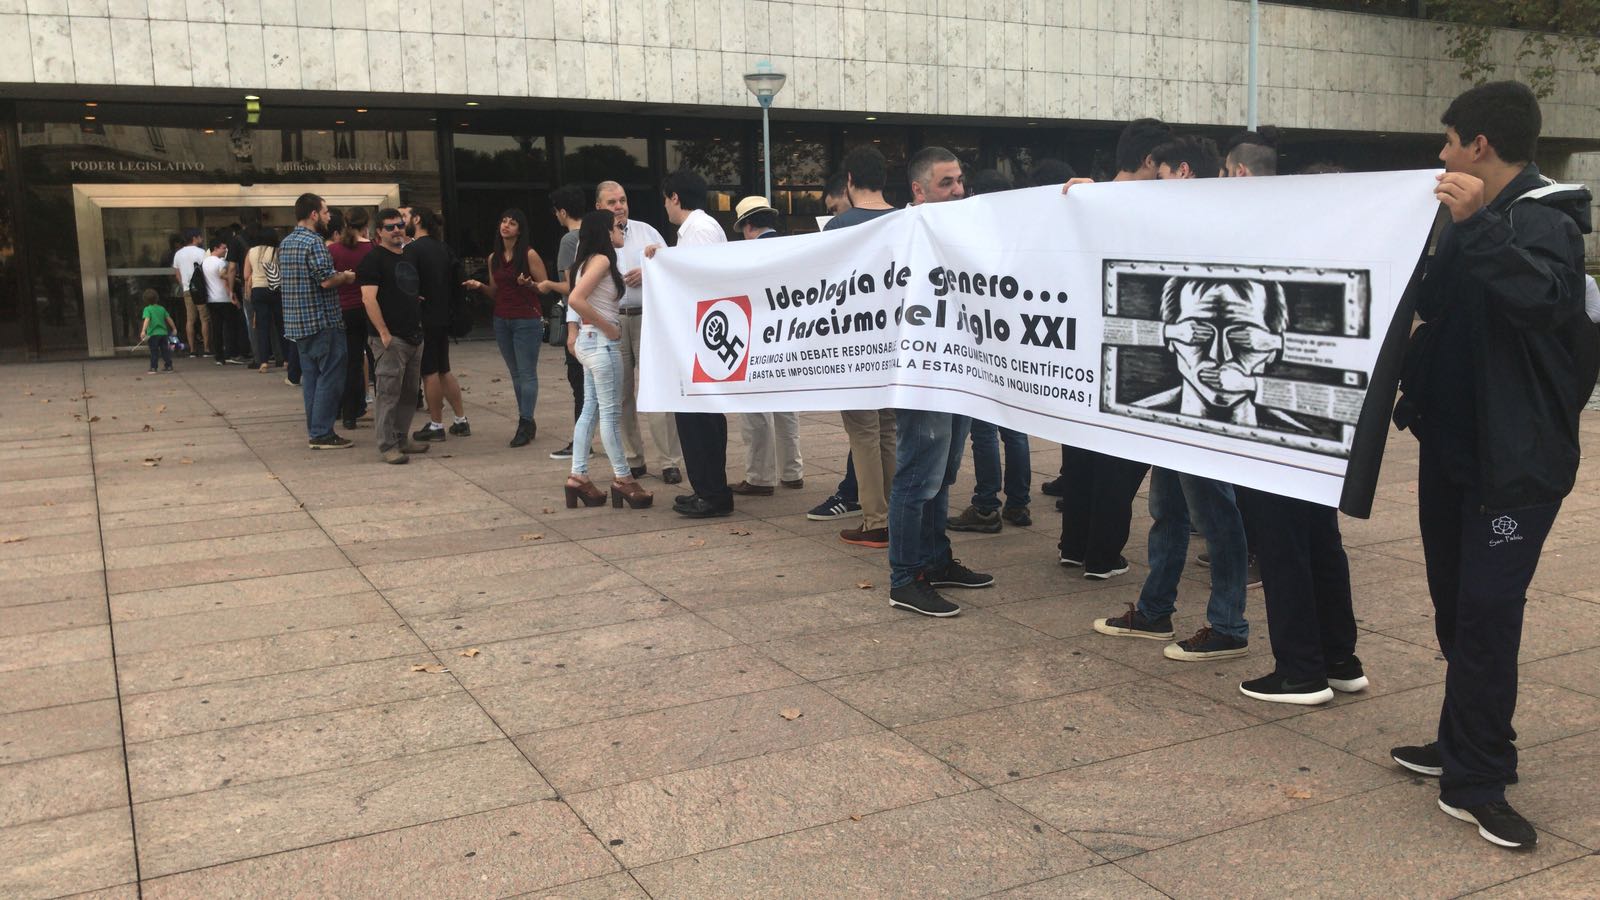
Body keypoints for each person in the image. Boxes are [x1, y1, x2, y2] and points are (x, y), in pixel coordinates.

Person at [1389, 81, 1597, 851]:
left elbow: (1542, 301)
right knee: (1457, 609)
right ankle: (1467, 740)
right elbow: (1438, 303)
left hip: (1515, 464)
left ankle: (1476, 779)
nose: (1440, 155)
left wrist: (1471, 224)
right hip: (1454, 448)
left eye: (1447, 141)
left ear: (1478, 146)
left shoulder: (1546, 218)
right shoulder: (1469, 220)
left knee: (1484, 616)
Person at [1090, 139, 1252, 661]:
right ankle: (1156, 609)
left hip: (1206, 399)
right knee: (1169, 505)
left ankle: (1227, 622)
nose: (1150, 188)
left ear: (1181, 173)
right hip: (1175, 395)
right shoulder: (1184, 224)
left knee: (1213, 508)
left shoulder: (1219, 224)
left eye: (1156, 176)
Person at [1050, 119, 1169, 578]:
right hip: (1132, 352)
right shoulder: (1146, 210)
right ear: (1148, 160)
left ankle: (1075, 544)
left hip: (1079, 351)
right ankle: (1101, 552)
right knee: (1120, 458)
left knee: (1080, 453)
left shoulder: (1081, 200)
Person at [884, 146, 994, 619]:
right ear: (919, 189)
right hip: (920, 375)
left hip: (959, 368)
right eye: (946, 183)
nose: (959, 190)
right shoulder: (895, 232)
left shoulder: (966, 227)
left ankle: (935, 559)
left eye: (959, 181)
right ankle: (904, 578)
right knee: (918, 474)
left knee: (944, 472)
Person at [948, 169, 1031, 533]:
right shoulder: (1021, 235)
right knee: (1015, 428)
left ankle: (985, 505)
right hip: (1015, 340)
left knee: (983, 428)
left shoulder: (976, 235)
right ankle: (1018, 502)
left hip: (983, 341)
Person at [825, 146, 900, 547]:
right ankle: (893, 511)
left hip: (853, 345)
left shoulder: (839, 227)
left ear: (849, 181)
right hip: (896, 344)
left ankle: (876, 519)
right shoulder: (906, 221)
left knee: (863, 433)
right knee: (887, 428)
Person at [652, 170, 733, 518]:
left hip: (698, 340)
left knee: (698, 421)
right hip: (701, 338)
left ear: (675, 197)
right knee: (704, 419)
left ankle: (711, 493)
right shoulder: (700, 229)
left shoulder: (698, 231)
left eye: (665, 199)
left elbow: (700, 281)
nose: (665, 208)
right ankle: (710, 488)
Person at [565, 210, 652, 510]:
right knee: (611, 415)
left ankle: (578, 477)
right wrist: (609, 327)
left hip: (591, 344)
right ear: (604, 231)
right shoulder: (601, 260)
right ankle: (624, 479)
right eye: (617, 228)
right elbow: (576, 299)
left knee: (591, 410)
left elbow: (576, 299)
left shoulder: (587, 261)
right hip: (601, 344)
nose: (622, 232)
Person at [599, 180, 681, 483]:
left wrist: (649, 270)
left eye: (622, 199)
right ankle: (633, 458)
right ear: (599, 207)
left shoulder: (649, 232)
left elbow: (673, 268)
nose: (619, 206)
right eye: (612, 202)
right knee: (621, 395)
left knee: (657, 389)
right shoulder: (594, 239)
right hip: (613, 321)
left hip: (648, 319)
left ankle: (670, 461)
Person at [728, 195, 805, 497]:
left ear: (747, 225)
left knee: (755, 409)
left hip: (759, 338)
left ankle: (760, 476)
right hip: (789, 335)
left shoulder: (748, 254)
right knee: (787, 408)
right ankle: (792, 471)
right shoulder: (789, 249)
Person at [464, 207, 549, 447]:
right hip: (502, 319)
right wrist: (479, 286)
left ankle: (525, 420)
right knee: (515, 373)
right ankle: (527, 420)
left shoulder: (529, 254)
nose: (506, 226)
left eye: (512, 223)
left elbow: (545, 287)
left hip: (526, 319)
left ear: (520, 229)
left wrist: (529, 284)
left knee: (527, 372)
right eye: (503, 221)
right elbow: (495, 292)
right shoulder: (494, 258)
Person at [280, 192, 358, 450]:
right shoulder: (314, 243)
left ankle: (316, 429)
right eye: (325, 212)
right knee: (331, 376)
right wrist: (345, 277)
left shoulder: (287, 242)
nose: (328, 217)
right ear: (314, 214)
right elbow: (325, 280)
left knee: (312, 378)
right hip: (322, 320)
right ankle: (322, 432)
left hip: (297, 323)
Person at [359, 208, 429, 465]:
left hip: (413, 335)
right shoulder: (373, 260)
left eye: (400, 225)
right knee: (388, 393)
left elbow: (405, 288)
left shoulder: (407, 256)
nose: (397, 230)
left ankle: (401, 438)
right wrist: (384, 333)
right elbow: (368, 298)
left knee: (410, 392)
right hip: (390, 339)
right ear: (379, 232)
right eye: (390, 227)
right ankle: (387, 444)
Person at [407, 208, 471, 442]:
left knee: (429, 371)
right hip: (444, 316)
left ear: (416, 220)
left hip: (424, 318)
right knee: (444, 369)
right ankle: (460, 420)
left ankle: (436, 424)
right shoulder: (443, 248)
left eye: (406, 218)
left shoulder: (412, 250)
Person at [539, 186, 587, 460]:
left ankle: (580, 443)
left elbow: (572, 286)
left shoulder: (570, 240)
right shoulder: (596, 234)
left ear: (563, 211)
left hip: (577, 322)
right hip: (595, 319)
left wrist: (547, 284)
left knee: (579, 384)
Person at [329, 207, 375, 431]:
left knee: (351, 362)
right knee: (375, 358)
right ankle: (365, 404)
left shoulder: (334, 250)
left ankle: (349, 413)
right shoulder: (373, 249)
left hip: (344, 310)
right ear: (367, 223)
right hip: (369, 308)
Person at [242, 227, 289, 372]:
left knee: (262, 327)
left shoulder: (251, 252)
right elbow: (284, 271)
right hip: (275, 290)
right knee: (281, 326)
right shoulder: (277, 251)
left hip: (258, 290)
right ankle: (286, 359)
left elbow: (245, 275)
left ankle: (263, 362)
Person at [200, 234, 239, 366]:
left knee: (216, 328)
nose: (225, 250)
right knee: (229, 327)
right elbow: (224, 277)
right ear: (215, 248)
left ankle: (218, 356)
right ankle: (230, 353)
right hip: (224, 298)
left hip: (211, 299)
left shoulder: (204, 262)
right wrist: (232, 291)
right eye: (223, 248)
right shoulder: (221, 262)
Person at [172, 228, 207, 358]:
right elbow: (206, 270)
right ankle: (207, 348)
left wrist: (184, 285)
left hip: (187, 289)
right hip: (201, 290)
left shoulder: (178, 254)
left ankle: (192, 349)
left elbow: (177, 274)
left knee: (190, 320)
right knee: (204, 318)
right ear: (194, 238)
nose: (201, 240)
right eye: (200, 237)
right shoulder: (202, 252)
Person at [137, 288, 175, 374]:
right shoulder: (162, 308)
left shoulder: (147, 309)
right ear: (157, 298)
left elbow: (147, 320)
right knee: (165, 350)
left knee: (154, 351)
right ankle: (169, 366)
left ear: (145, 300)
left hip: (153, 334)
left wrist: (143, 331)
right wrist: (174, 328)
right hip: (163, 333)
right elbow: (169, 319)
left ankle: (153, 367)